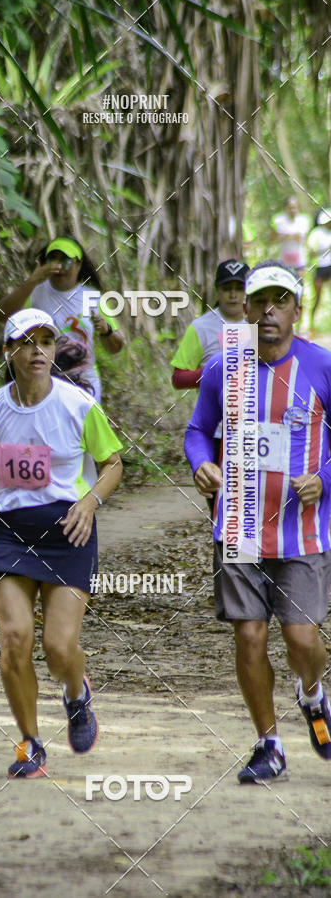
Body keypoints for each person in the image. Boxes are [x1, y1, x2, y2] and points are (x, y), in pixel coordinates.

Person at [0, 308, 123, 778]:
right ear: (9, 352)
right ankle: (29, 742)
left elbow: (113, 464)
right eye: (27, 342)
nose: (38, 350)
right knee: (14, 640)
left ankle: (75, 692)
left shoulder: (78, 405)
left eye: (46, 341)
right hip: (12, 532)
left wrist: (89, 503)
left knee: (59, 647)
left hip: (69, 530)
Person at [185, 259, 331, 783]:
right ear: (243, 308)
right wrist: (201, 462)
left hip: (302, 530)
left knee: (300, 639)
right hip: (241, 524)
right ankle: (268, 744)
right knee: (249, 635)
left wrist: (324, 480)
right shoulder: (225, 369)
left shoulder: (321, 365)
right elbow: (198, 429)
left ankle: (312, 693)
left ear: (296, 309)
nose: (269, 311)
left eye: (281, 301)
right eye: (259, 301)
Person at [0, 236, 125, 402]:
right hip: (42, 382)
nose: (58, 267)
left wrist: (106, 331)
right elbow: (2, 315)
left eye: (65, 262)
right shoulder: (35, 293)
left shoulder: (91, 297)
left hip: (84, 384)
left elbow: (116, 346)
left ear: (78, 265)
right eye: (52, 260)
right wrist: (33, 280)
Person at [171, 259, 249, 390]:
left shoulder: (262, 324)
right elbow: (178, 379)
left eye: (240, 289)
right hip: (212, 408)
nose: (233, 295)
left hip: (255, 408)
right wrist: (212, 372)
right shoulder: (200, 327)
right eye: (226, 289)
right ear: (217, 291)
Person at [306, 207, 331, 336]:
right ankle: (311, 326)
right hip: (320, 267)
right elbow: (311, 252)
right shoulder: (316, 233)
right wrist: (326, 249)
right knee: (318, 298)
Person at [270, 196, 310, 276]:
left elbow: (306, 242)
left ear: (298, 208)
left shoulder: (304, 220)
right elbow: (271, 240)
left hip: (299, 259)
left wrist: (298, 238)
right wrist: (283, 237)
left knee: (299, 283)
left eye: (294, 208)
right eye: (290, 208)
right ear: (285, 208)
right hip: (283, 259)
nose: (292, 210)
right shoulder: (278, 220)